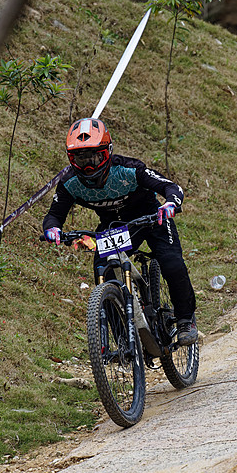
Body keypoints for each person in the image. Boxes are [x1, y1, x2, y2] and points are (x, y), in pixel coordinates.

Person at [42, 118, 198, 346]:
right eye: (80, 158)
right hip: (113, 227)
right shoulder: (70, 183)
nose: (89, 165)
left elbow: (170, 187)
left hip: (151, 218)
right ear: (70, 158)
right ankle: (123, 341)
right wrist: (52, 229)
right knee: (102, 270)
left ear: (107, 152)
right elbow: (55, 214)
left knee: (171, 262)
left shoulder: (129, 169)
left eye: (94, 156)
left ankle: (185, 320)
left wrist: (170, 204)